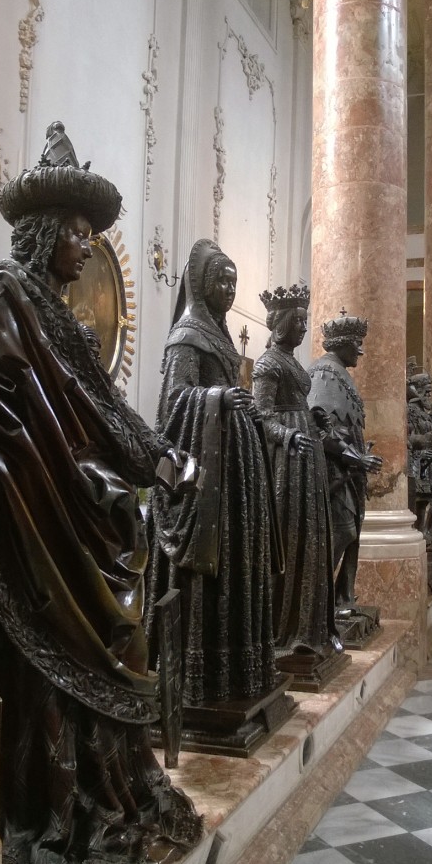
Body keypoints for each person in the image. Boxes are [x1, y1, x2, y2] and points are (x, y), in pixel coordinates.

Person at [0, 122, 202, 864]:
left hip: (69, 519)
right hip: (16, 525)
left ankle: (79, 793)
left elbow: (106, 414)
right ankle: (33, 808)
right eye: (78, 234)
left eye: (90, 235)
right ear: (46, 231)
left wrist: (163, 459)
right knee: (34, 670)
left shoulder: (63, 321)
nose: (86, 248)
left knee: (111, 635)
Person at [145, 238, 279, 714]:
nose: (229, 288)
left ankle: (238, 669)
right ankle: (195, 678)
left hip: (232, 471)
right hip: (204, 480)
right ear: (202, 285)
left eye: (234, 281)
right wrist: (218, 399)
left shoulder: (220, 335)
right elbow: (173, 400)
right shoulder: (188, 334)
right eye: (222, 279)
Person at [253, 285, 342, 683]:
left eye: (306, 321)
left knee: (311, 537)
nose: (305, 328)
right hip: (285, 461)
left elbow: (297, 404)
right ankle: (284, 631)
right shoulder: (268, 363)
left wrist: (314, 418)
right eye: (299, 321)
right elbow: (261, 415)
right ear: (282, 323)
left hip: (307, 455)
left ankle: (310, 629)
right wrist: (288, 435)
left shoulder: (290, 360)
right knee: (290, 538)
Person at [307, 314, 382, 616]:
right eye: (357, 348)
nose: (359, 355)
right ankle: (316, 604)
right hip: (332, 471)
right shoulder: (325, 373)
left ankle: (340, 599)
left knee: (349, 534)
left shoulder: (339, 372)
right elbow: (322, 429)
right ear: (345, 345)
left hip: (347, 471)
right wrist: (355, 457)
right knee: (341, 533)